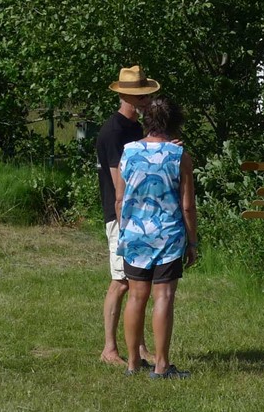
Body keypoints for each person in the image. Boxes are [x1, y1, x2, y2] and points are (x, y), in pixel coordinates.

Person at [115, 96, 198, 378]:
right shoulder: (180, 157)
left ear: (146, 121)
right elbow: (187, 205)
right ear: (175, 124)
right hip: (168, 236)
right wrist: (193, 242)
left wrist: (125, 230)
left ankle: (132, 363)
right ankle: (161, 365)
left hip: (135, 234)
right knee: (163, 296)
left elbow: (119, 199)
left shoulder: (128, 153)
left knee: (136, 297)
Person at [96, 65, 160, 366]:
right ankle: (109, 349)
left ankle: (140, 347)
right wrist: (124, 221)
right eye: (141, 96)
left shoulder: (137, 129)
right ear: (125, 96)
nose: (146, 100)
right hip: (120, 214)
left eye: (146, 95)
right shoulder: (113, 132)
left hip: (140, 214)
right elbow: (118, 181)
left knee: (139, 282)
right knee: (121, 281)